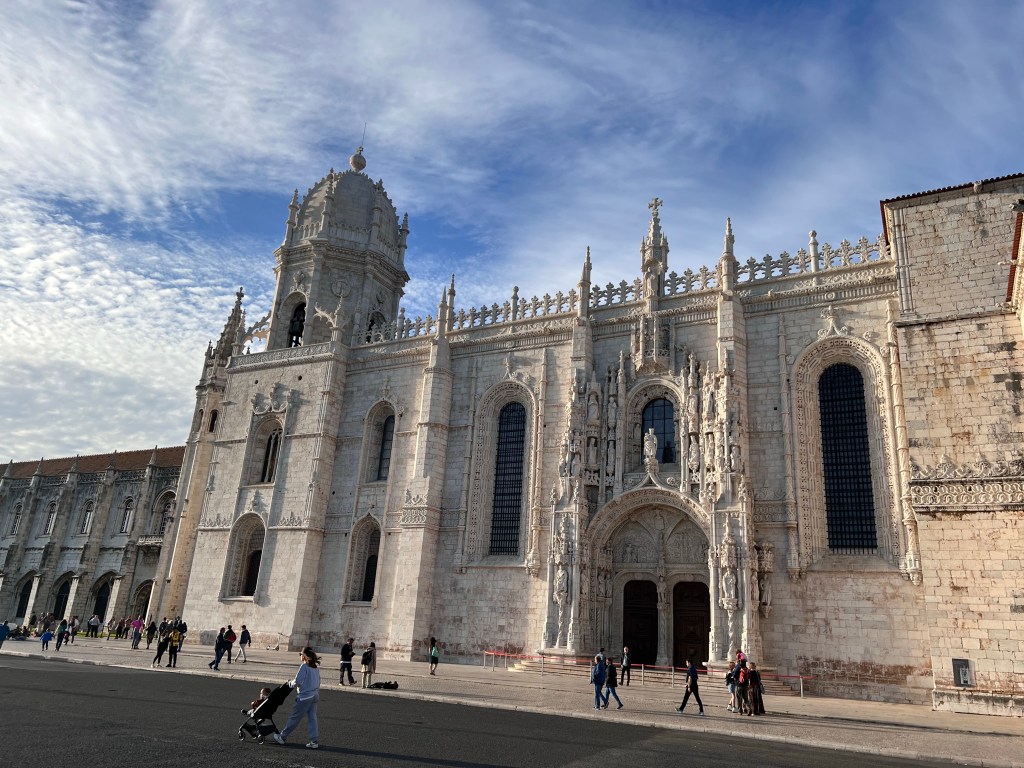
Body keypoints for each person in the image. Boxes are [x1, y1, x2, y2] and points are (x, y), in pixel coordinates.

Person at [273, 647, 321, 749]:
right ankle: (314, 741)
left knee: (294, 718)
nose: (300, 656)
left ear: (304, 656)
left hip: (305, 697)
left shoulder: (304, 666)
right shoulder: (315, 668)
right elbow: (318, 682)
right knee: (312, 718)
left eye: (300, 654)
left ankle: (282, 737)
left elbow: (298, 681)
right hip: (315, 695)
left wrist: (290, 683)